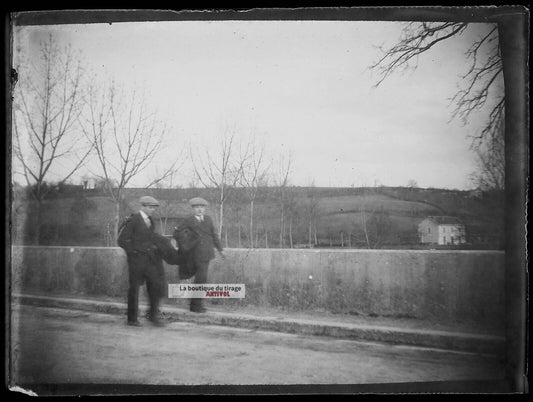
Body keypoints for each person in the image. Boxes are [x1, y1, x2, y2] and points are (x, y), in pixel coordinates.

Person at [117, 195, 168, 327]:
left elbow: (149, 238)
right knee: (134, 289)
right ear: (143, 207)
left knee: (155, 286)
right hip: (136, 262)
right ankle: (132, 318)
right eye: (150, 208)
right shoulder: (133, 220)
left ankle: (152, 316)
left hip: (150, 261)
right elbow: (122, 240)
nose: (152, 210)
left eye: (154, 208)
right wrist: (134, 253)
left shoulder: (151, 221)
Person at [183, 197, 225, 313]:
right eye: (197, 207)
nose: (199, 210)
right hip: (194, 255)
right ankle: (195, 306)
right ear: (193, 209)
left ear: (205, 209)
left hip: (206, 255)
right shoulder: (188, 221)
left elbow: (214, 235)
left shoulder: (208, 219)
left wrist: (221, 249)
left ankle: (195, 304)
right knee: (200, 279)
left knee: (201, 279)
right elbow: (180, 235)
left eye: (201, 207)